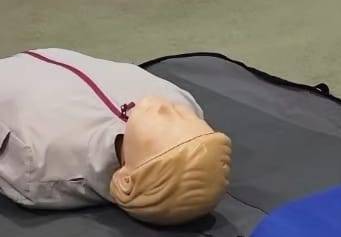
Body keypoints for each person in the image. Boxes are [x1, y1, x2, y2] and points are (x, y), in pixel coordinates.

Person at [0, 48, 231, 225]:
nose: (166, 107)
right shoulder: (181, 101)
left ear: (126, 180)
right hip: (54, 57)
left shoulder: (41, 165)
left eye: (167, 124)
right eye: (185, 118)